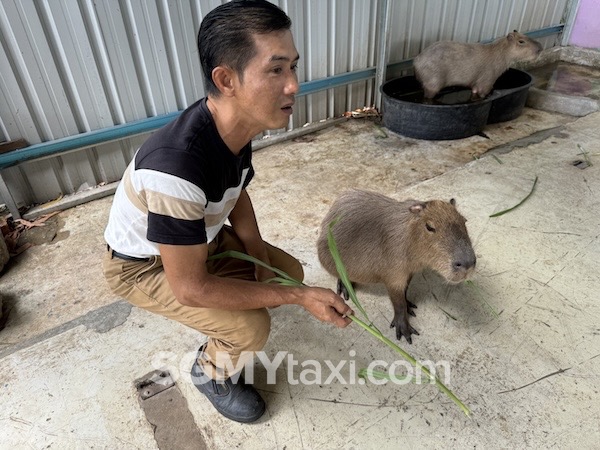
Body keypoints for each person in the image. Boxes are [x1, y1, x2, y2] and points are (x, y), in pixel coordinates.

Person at [103, 0, 352, 424]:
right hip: (143, 267)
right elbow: (191, 288)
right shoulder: (176, 167)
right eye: (276, 70)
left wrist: (257, 257)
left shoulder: (235, 127)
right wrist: (297, 297)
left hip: (203, 238)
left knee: (285, 268)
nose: (293, 85)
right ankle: (208, 371)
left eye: (293, 67)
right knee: (251, 328)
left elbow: (236, 192)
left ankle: (237, 311)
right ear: (226, 79)